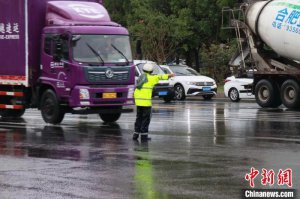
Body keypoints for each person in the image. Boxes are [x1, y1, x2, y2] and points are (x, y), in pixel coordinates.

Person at [133, 63, 175, 141]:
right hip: (146, 103)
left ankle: (135, 135)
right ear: (151, 71)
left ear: (143, 70)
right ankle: (144, 136)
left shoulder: (140, 77)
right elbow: (160, 77)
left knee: (139, 118)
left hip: (138, 102)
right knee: (145, 120)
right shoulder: (151, 78)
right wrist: (170, 75)